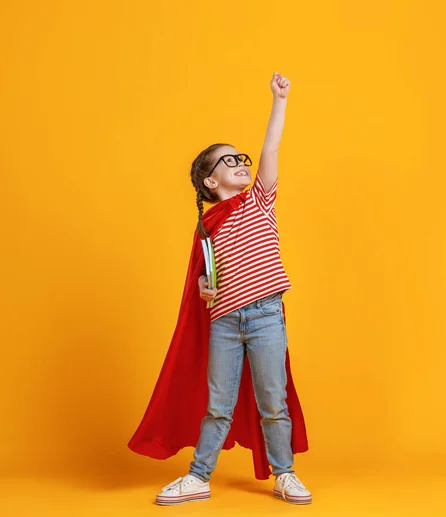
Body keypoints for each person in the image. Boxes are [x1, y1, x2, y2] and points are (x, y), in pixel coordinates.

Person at [128, 72, 311, 506]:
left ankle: (284, 474)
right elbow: (206, 276)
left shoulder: (259, 200)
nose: (242, 163)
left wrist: (279, 101)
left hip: (265, 315)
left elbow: (270, 148)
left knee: (273, 402)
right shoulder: (207, 226)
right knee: (218, 404)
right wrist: (204, 286)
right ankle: (198, 476)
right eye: (230, 161)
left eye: (241, 158)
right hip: (225, 322)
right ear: (210, 182)